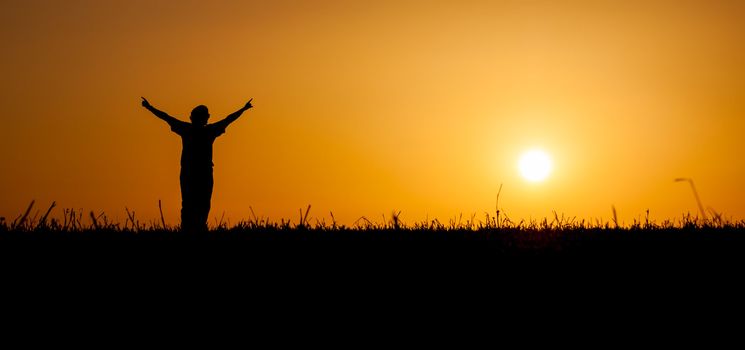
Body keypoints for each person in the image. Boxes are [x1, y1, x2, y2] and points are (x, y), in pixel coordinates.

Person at [141, 97, 253, 231]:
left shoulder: (188, 129)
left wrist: (149, 107)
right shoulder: (208, 131)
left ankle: (191, 229)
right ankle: (193, 229)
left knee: (193, 203)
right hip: (200, 173)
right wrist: (243, 109)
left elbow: (166, 117)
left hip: (192, 172)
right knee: (199, 203)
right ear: (204, 117)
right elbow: (228, 119)